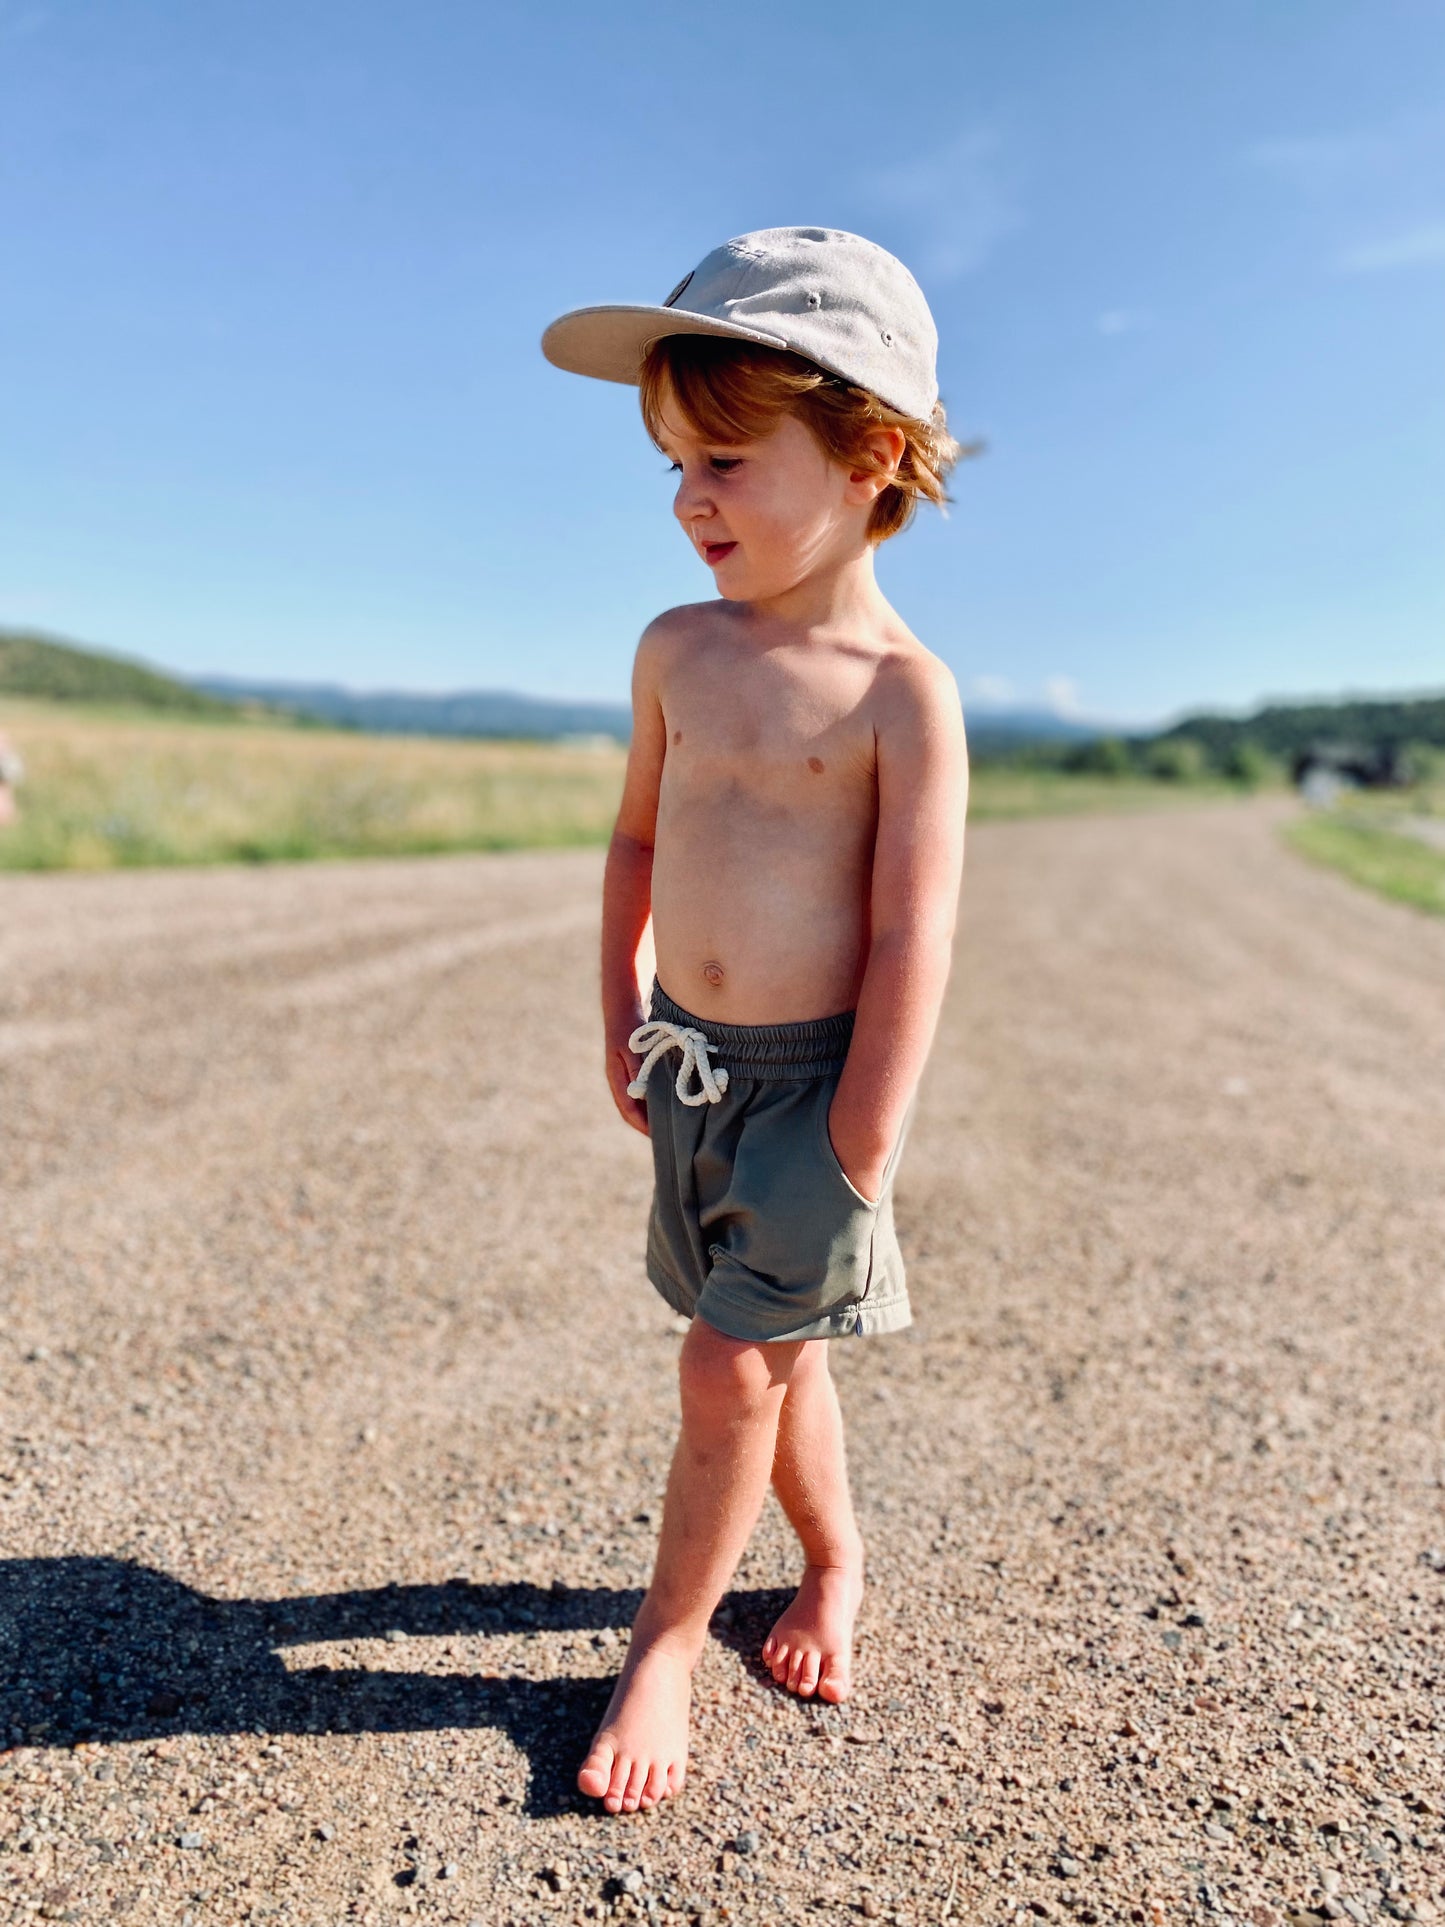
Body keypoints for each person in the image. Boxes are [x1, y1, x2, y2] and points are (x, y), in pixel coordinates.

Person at [540, 226, 971, 1815]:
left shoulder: (898, 695)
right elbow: (638, 844)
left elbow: (911, 923)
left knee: (730, 1365)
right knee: (763, 1345)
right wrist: (615, 1012)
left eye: (722, 459)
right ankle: (835, 1564)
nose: (685, 501)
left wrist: (863, 1127)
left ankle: (665, 1639)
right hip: (688, 1067)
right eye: (668, 464)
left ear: (869, 455)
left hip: (813, 1092)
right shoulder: (678, 650)